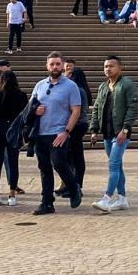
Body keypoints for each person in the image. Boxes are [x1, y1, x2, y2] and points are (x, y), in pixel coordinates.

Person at [28, 53, 84, 215]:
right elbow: (30, 105)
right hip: (40, 133)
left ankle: (73, 188)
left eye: (58, 64)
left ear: (62, 66)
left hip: (59, 132)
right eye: (52, 64)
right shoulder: (40, 85)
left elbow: (76, 111)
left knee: (59, 163)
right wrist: (34, 109)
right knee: (44, 168)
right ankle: (46, 202)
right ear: (47, 66)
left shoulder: (70, 86)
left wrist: (66, 131)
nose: (55, 67)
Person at [90, 55, 138, 212]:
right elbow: (97, 108)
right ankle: (122, 199)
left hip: (120, 132)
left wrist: (125, 129)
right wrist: (94, 130)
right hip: (107, 132)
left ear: (120, 67)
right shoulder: (103, 87)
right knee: (117, 166)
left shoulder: (127, 84)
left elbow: (133, 108)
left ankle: (106, 198)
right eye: (105, 66)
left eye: (111, 66)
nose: (108, 69)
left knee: (113, 165)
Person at [0, 70, 27, 207]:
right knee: (13, 163)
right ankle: (12, 195)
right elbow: (24, 114)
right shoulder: (21, 95)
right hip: (14, 130)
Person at [63, 64, 93, 197]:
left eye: (69, 74)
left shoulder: (77, 90)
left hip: (76, 125)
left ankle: (76, 186)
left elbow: (75, 110)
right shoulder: (81, 89)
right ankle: (71, 185)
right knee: (73, 155)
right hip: (80, 124)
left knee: (75, 156)